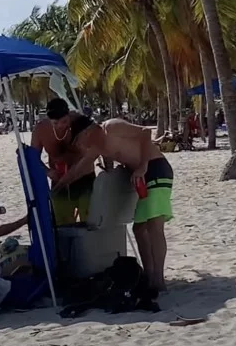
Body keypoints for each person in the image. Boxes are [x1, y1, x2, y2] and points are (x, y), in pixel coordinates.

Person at [53, 115, 173, 291]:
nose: (80, 145)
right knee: (139, 229)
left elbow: (145, 133)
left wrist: (143, 166)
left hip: (155, 169)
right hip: (139, 178)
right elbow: (81, 167)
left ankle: (158, 279)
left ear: (88, 131)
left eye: (80, 139)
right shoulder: (97, 147)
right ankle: (149, 275)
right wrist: (61, 184)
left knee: (154, 226)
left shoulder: (111, 127)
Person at [31, 98, 96, 226]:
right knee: (63, 226)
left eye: (65, 121)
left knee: (90, 222)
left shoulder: (81, 122)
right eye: (55, 123)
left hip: (84, 179)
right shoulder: (41, 129)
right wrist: (48, 172)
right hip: (59, 181)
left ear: (69, 114)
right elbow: (33, 157)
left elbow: (98, 147)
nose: (61, 125)